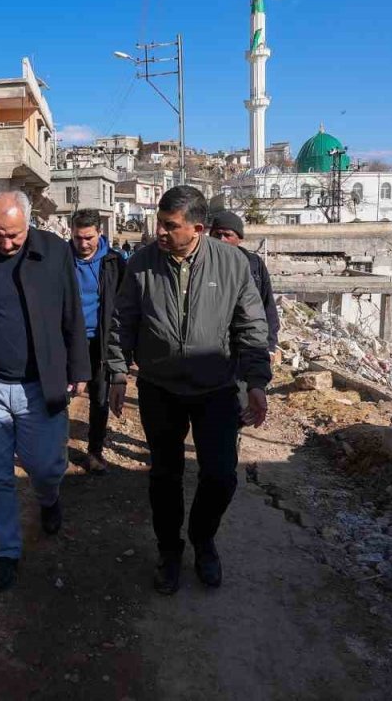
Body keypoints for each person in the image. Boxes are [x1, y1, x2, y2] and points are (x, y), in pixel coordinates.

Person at [107, 186, 271, 595]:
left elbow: (251, 327)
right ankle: (169, 549)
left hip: (215, 388)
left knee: (219, 475)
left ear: (198, 228)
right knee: (164, 475)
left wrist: (256, 383)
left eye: (169, 225)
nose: (159, 232)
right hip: (160, 388)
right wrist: (116, 374)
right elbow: (121, 321)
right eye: (159, 223)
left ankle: (203, 540)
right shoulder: (142, 263)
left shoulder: (233, 264)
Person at [0, 190, 91, 592]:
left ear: (28, 224)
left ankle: (49, 498)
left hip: (39, 385)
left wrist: (79, 366)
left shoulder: (54, 252)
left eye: (15, 234)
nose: (8, 243)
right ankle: (6, 551)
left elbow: (72, 312)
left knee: (46, 466)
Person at [69, 210, 124, 474]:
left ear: (99, 233)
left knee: (99, 398)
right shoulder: (61, 260)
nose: (83, 243)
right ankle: (54, 451)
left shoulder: (114, 262)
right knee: (62, 396)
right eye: (78, 237)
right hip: (69, 342)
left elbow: (125, 304)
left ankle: (94, 451)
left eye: (88, 237)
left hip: (100, 342)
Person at [208, 210, 280, 359]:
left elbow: (267, 306)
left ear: (239, 238)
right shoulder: (203, 264)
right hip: (212, 349)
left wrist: (270, 345)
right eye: (217, 234)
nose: (221, 239)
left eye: (227, 235)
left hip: (247, 343)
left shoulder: (253, 264)